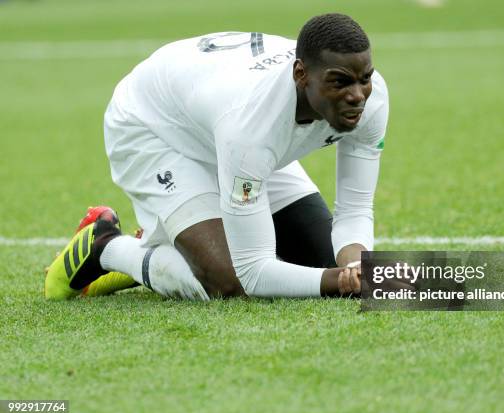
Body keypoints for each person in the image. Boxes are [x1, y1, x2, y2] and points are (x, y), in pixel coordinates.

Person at [44, 13, 389, 300]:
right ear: (301, 75)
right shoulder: (251, 126)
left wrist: (356, 266)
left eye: (365, 79)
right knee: (229, 282)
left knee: (324, 259)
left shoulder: (371, 102)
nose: (357, 96)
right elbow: (253, 271)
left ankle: (180, 242)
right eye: (341, 82)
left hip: (218, 122)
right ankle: (107, 247)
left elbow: (355, 209)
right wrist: (340, 281)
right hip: (153, 126)